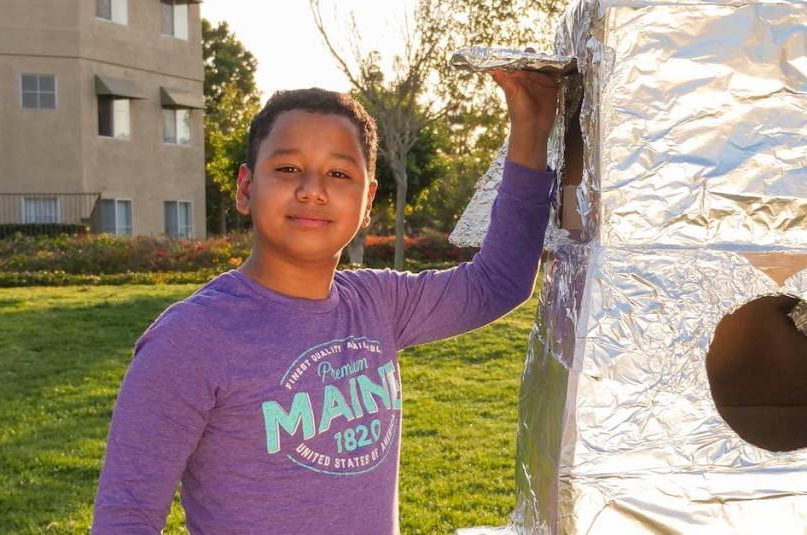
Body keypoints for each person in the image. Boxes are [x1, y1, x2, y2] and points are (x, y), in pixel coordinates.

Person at [91, 69, 559, 534]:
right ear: (244, 188)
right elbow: (126, 517)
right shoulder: (190, 340)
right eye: (288, 168)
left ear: (368, 198)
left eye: (338, 173)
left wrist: (531, 127)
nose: (312, 189)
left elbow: (497, 283)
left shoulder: (378, 302)